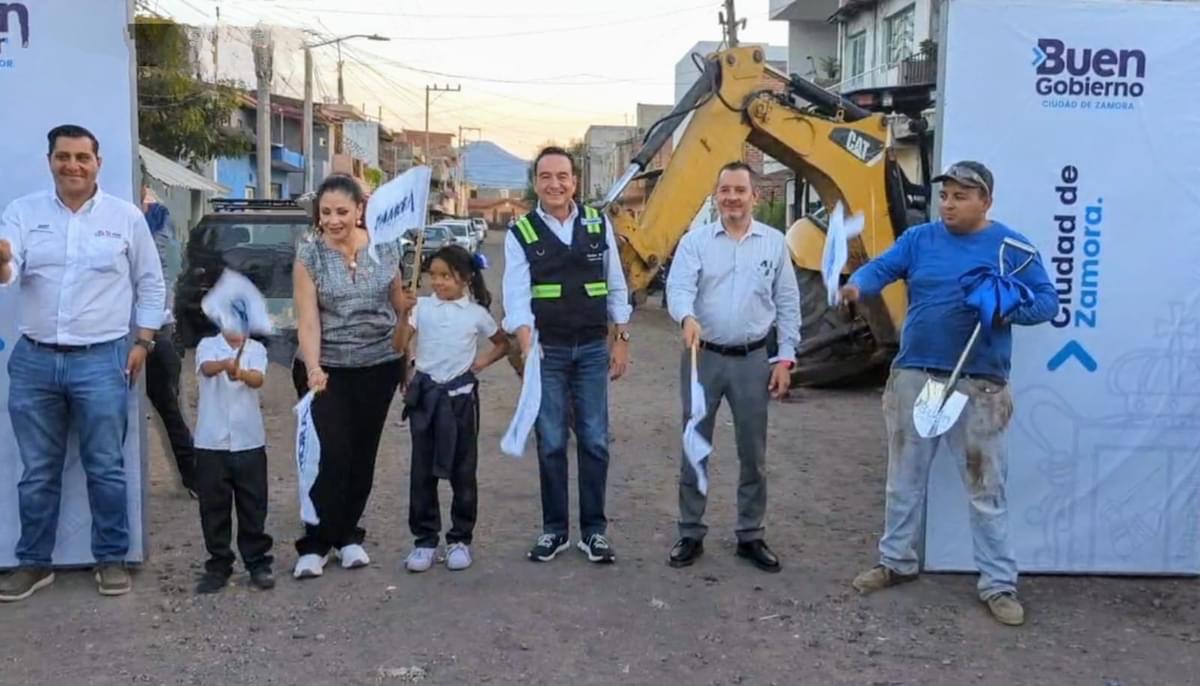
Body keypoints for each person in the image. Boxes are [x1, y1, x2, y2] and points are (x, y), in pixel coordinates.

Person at [840, 161, 1057, 626]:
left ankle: (998, 584)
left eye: (961, 196)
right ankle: (896, 561)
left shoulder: (1011, 249)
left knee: (985, 490)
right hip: (918, 376)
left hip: (980, 385)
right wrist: (859, 285)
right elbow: (883, 267)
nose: (949, 204)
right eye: (945, 195)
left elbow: (1048, 302)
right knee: (905, 479)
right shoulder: (921, 240)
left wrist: (1008, 303)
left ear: (986, 202)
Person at [0, 124, 165, 601]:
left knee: (106, 466)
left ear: (98, 163)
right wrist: (3, 259)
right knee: (37, 470)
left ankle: (111, 558)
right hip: (34, 361)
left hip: (103, 359)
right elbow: (8, 273)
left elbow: (151, 284)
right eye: (63, 156)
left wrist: (144, 341)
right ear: (49, 160)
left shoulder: (125, 217)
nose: (72, 165)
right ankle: (34, 562)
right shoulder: (22, 213)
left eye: (82, 157)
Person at [664, 161, 801, 574]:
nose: (732, 198)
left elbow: (789, 304)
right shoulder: (696, 242)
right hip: (702, 358)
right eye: (725, 190)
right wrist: (686, 317)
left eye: (740, 190)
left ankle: (750, 534)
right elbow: (679, 286)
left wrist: (786, 358)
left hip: (753, 360)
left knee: (753, 452)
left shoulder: (774, 245)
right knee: (694, 447)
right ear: (716, 195)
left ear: (754, 196)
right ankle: (690, 531)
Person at [501, 146, 632, 564]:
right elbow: (517, 299)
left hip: (593, 349)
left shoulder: (597, 223)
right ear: (535, 182)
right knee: (552, 441)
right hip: (548, 352)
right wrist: (527, 348)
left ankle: (594, 532)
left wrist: (622, 338)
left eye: (562, 176)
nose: (555, 184)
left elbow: (615, 284)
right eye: (545, 176)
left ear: (574, 181)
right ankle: (554, 531)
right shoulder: (520, 233)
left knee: (594, 439)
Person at [291, 174, 408, 579]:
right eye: (326, 213)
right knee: (331, 453)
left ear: (360, 210)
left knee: (362, 454)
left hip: (378, 366)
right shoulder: (310, 255)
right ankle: (316, 540)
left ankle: (347, 536)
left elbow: (398, 308)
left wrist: (408, 316)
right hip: (327, 369)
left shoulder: (386, 247)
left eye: (342, 211)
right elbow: (307, 321)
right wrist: (313, 367)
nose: (334, 220)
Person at [394, 245, 508, 573]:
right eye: (434, 276)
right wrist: (403, 313)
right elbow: (399, 345)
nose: (439, 283)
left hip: (460, 398)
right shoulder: (421, 308)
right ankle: (425, 540)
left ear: (466, 278)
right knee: (422, 471)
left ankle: (460, 538)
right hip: (427, 397)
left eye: (447, 276)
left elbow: (502, 343)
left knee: (463, 470)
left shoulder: (476, 314)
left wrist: (480, 363)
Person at [192, 329, 274, 594]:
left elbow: (258, 379)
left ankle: (257, 562)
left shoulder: (256, 349)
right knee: (213, 507)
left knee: (253, 504)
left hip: (249, 440)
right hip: (211, 441)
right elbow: (205, 368)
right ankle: (218, 564)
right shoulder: (207, 344)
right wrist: (225, 365)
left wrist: (239, 373)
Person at [141, 183, 197, 496]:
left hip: (156, 330)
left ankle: (193, 477)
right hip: (121, 333)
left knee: (171, 409)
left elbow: (164, 273)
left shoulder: (156, 220)